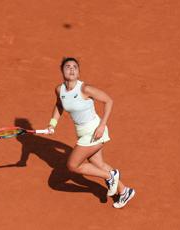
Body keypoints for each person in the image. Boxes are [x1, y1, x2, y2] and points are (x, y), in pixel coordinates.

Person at [46, 57, 135, 208]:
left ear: (79, 72)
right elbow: (59, 105)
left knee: (73, 165)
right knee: (98, 163)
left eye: (75, 67)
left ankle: (110, 176)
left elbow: (108, 101)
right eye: (68, 67)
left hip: (95, 131)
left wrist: (102, 125)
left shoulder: (84, 89)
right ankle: (124, 191)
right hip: (82, 133)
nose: (72, 69)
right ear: (62, 71)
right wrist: (52, 124)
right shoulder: (59, 90)